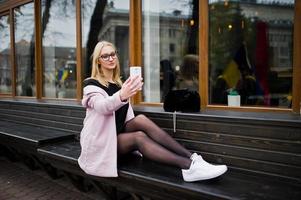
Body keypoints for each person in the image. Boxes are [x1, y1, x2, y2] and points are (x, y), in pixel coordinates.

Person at [78, 41, 227, 182]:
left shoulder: (118, 84)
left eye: (113, 54)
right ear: (98, 61)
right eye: (105, 56)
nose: (111, 58)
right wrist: (123, 95)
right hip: (101, 142)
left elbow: (125, 114)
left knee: (140, 119)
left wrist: (125, 92)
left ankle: (193, 158)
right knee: (139, 137)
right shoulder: (91, 86)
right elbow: (103, 107)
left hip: (116, 132)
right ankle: (188, 167)